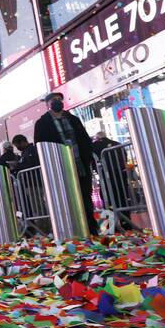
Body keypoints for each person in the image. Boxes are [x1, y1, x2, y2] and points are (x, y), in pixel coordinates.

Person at [33, 92, 98, 234]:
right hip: (59, 169)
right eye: (53, 100)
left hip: (80, 165)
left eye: (59, 99)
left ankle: (91, 229)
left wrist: (89, 158)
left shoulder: (73, 119)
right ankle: (71, 230)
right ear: (47, 105)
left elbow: (85, 139)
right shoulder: (42, 123)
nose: (57, 102)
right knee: (66, 200)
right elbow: (40, 146)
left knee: (86, 198)